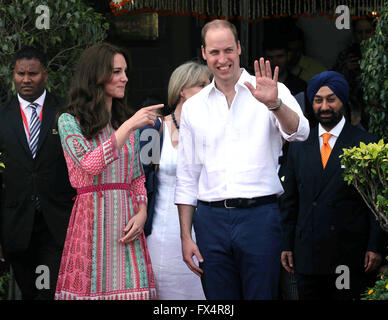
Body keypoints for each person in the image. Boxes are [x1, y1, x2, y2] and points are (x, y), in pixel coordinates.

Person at [174, 19, 310, 300]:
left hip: (259, 217)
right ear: (203, 53)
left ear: (239, 48)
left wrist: (275, 104)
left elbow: (301, 132)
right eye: (214, 52)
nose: (222, 59)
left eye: (227, 50)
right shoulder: (194, 108)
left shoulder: (269, 89)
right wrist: (186, 236)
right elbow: (187, 175)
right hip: (210, 220)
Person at [54, 43, 163, 300]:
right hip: (90, 219)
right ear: (96, 74)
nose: (124, 78)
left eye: (125, 71)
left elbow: (136, 177)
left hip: (126, 223)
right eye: (116, 71)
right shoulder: (69, 121)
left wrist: (142, 212)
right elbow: (90, 165)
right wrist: (128, 126)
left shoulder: (124, 120)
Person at [280, 71, 384, 300]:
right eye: (318, 100)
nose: (324, 106)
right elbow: (290, 199)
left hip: (347, 256)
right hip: (308, 255)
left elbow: (377, 203)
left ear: (343, 101)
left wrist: (375, 246)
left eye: (331, 99)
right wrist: (286, 244)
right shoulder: (299, 143)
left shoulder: (366, 144)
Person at [0, 46, 75, 299]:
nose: (26, 79)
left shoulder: (66, 112)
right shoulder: (2, 117)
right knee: (31, 293)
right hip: (16, 226)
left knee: (49, 292)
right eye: (20, 73)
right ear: (13, 74)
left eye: (32, 73)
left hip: (56, 223)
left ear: (45, 74)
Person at [140, 61, 211, 300]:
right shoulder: (154, 129)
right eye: (201, 84)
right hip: (161, 229)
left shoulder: (214, 130)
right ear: (182, 89)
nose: (209, 89)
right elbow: (139, 179)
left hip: (204, 228)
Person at [333, 17, 376, 128]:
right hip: (351, 110)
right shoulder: (347, 54)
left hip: (376, 109)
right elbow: (335, 83)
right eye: (359, 32)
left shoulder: (381, 55)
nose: (364, 36)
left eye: (368, 32)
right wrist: (346, 68)